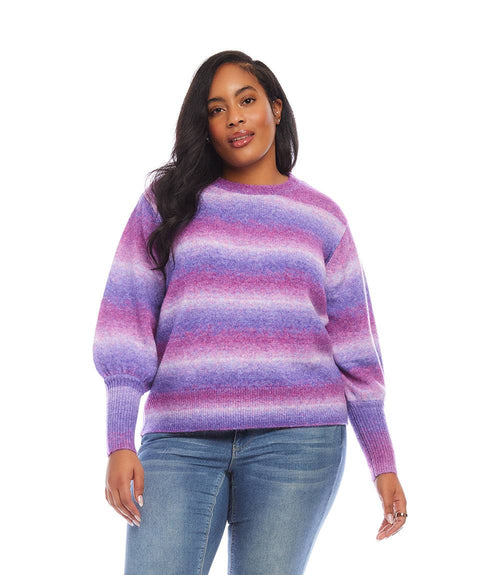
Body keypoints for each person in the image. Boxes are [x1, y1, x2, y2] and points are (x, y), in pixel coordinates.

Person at [93, 50, 408, 574]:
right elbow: (125, 322)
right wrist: (119, 440)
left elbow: (356, 350)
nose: (235, 118)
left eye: (246, 101)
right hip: (180, 438)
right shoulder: (168, 204)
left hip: (299, 441)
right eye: (217, 109)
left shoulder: (323, 219)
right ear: (205, 125)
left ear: (275, 109)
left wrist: (383, 462)